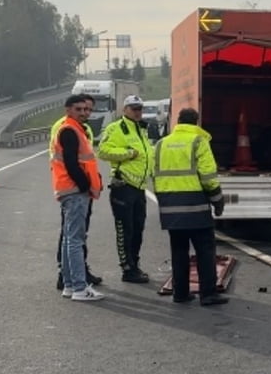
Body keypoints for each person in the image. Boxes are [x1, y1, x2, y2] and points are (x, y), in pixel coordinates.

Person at [153, 108, 228, 306]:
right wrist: (218, 200)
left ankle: (181, 293)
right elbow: (208, 176)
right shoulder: (198, 141)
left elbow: (155, 175)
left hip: (170, 207)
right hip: (195, 206)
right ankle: (208, 294)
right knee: (205, 251)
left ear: (178, 121)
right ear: (196, 122)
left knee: (178, 251)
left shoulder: (161, 144)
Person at [52, 94, 105, 301]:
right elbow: (72, 164)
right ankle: (80, 288)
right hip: (75, 191)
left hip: (69, 189)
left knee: (68, 239)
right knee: (75, 239)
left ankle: (69, 285)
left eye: (87, 109)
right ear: (68, 110)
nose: (84, 112)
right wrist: (85, 186)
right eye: (79, 109)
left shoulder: (74, 129)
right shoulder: (70, 130)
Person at [96, 94, 154, 283]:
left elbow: (148, 157)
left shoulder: (142, 129)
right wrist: (128, 154)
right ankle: (127, 269)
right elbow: (103, 151)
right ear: (125, 109)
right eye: (134, 108)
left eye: (140, 108)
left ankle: (135, 264)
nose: (138, 112)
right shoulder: (116, 128)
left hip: (139, 187)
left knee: (138, 228)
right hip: (123, 186)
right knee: (125, 229)